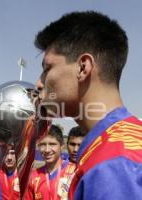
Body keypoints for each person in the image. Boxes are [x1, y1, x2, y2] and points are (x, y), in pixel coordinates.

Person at [34, 11, 142, 199]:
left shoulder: (112, 165)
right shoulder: (122, 142)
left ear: (83, 67)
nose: (39, 83)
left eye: (47, 69)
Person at [25, 125, 76, 200]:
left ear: (62, 146)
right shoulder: (32, 177)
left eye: (52, 144)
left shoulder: (75, 172)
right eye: (42, 145)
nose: (47, 150)